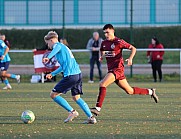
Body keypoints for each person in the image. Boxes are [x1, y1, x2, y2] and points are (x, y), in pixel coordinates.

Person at [90, 24, 159, 116]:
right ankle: (151, 91)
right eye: (104, 33)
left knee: (102, 84)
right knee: (130, 91)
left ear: (113, 31)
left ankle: (97, 108)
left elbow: (133, 48)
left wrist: (130, 58)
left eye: (107, 32)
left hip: (117, 69)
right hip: (112, 70)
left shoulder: (119, 42)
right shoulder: (104, 43)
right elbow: (102, 49)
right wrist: (101, 56)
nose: (106, 35)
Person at [42, 31, 97, 124]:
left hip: (71, 76)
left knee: (53, 94)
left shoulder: (57, 46)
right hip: (78, 74)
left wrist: (49, 57)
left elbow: (56, 47)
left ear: (51, 40)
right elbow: (63, 66)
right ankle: (91, 118)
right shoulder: (64, 47)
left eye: (48, 43)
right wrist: (53, 73)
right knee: (76, 97)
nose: (48, 46)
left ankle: (72, 112)